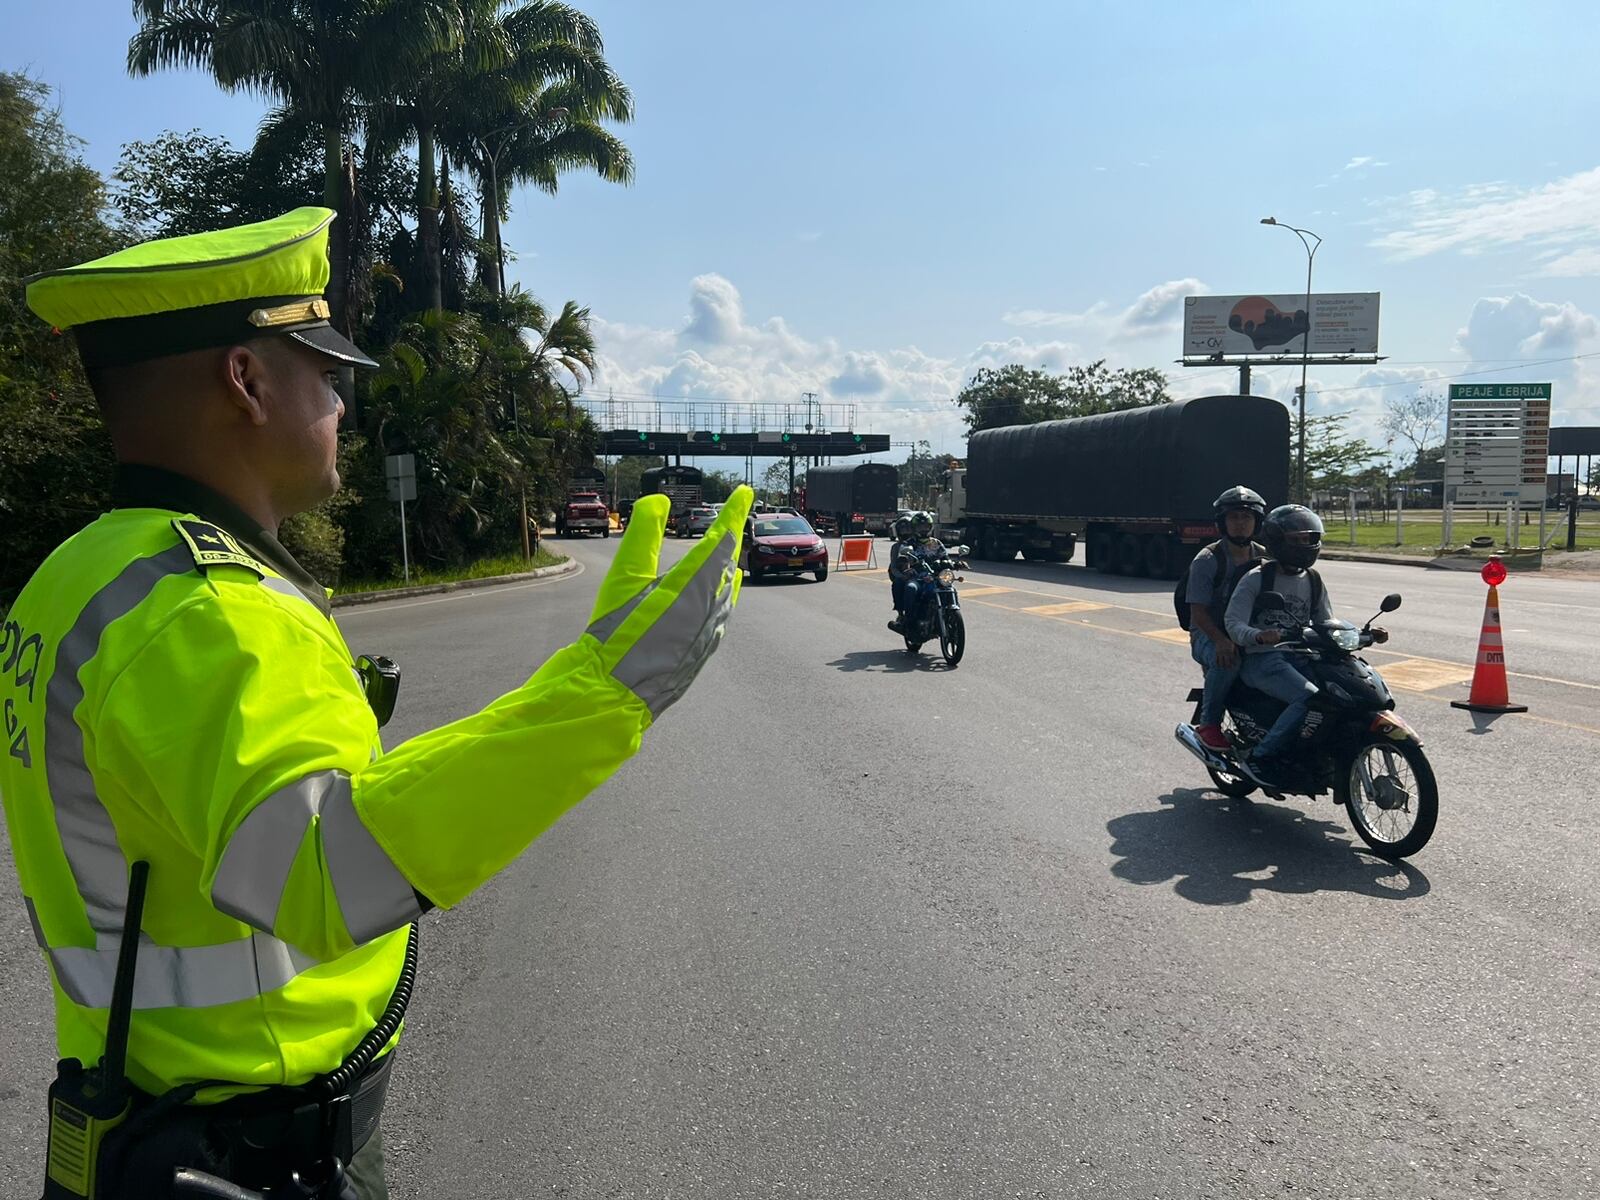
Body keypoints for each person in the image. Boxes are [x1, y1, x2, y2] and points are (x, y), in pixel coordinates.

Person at [1, 207, 753, 1199]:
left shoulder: (81, 571)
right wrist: (601, 698)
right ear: (246, 380)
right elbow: (323, 872)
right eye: (324, 374)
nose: (341, 406)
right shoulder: (213, 614)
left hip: (142, 1115)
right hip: (250, 1146)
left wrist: (568, 681)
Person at [1224, 504, 1387, 785]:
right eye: (1295, 539)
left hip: (1302, 656)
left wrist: (1363, 635)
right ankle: (1260, 757)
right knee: (1307, 698)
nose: (1304, 545)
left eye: (1308, 538)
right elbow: (1233, 622)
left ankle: (1316, 752)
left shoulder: (1312, 579)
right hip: (1263, 658)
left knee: (1338, 695)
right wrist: (1258, 635)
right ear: (1277, 541)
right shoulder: (1257, 579)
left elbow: (1326, 622)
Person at [1185, 486, 1268, 750]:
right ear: (1222, 523)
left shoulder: (1265, 557)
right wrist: (1220, 640)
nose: (1240, 523)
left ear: (1257, 522)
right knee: (1228, 661)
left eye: (1246, 517)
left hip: (1249, 630)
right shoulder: (1208, 559)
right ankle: (1208, 724)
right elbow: (1198, 612)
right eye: (1233, 517)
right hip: (1209, 633)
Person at [888, 512, 945, 634]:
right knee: (910, 588)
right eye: (920, 527)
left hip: (934, 577)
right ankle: (908, 620)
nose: (924, 530)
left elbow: (944, 557)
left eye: (926, 527)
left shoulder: (936, 543)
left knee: (949, 588)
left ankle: (948, 615)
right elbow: (902, 561)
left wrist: (956, 563)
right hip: (917, 578)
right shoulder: (908, 544)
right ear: (914, 528)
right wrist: (907, 566)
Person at [886, 513, 916, 626]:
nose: (905, 533)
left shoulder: (918, 543)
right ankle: (901, 613)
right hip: (904, 575)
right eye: (903, 530)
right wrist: (902, 576)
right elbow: (893, 567)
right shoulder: (896, 547)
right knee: (898, 584)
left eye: (908, 529)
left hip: (921, 574)